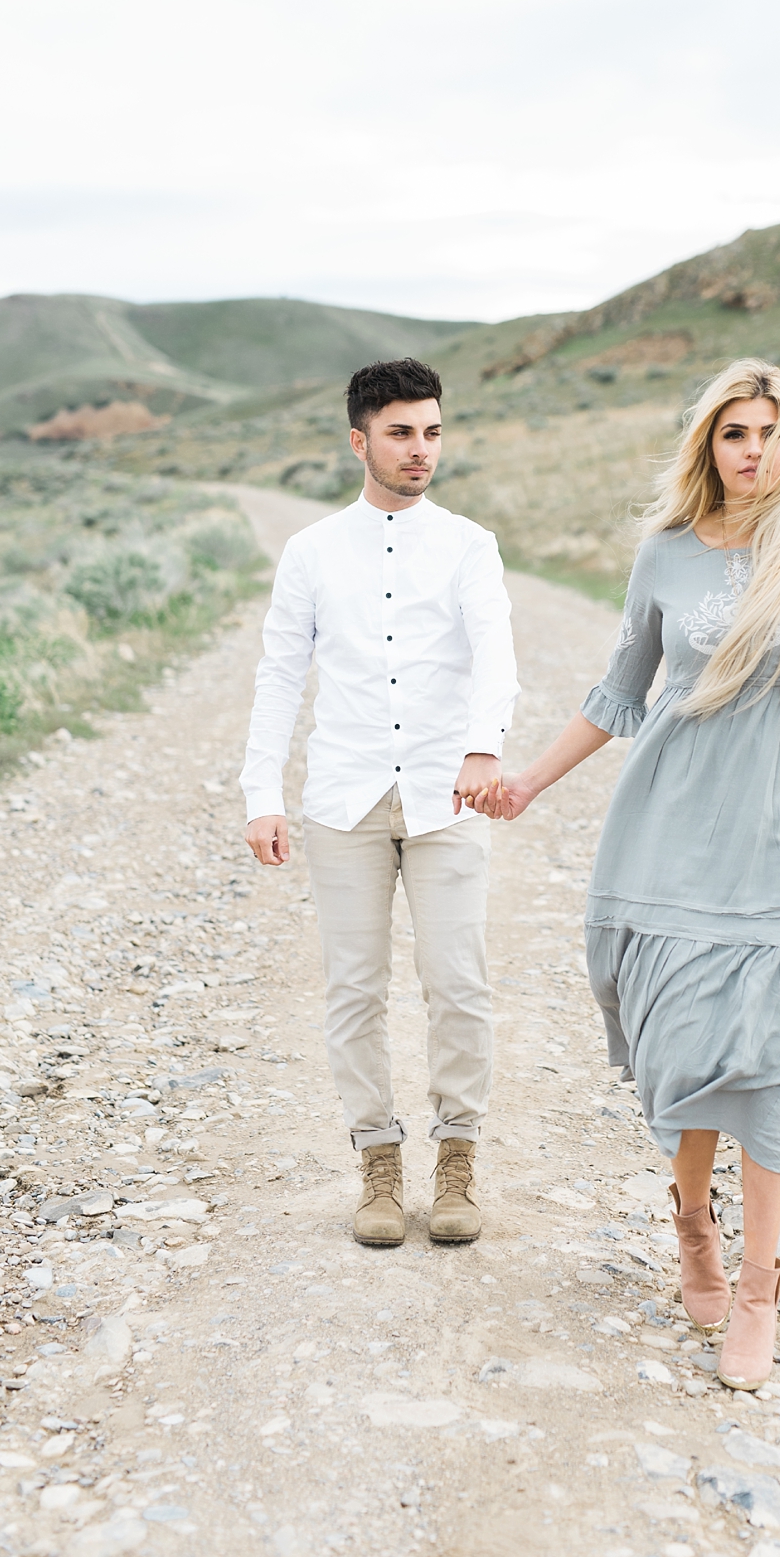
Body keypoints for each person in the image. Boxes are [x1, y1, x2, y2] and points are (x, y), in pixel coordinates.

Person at [476, 358, 780, 1391]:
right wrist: (525, 779)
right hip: (667, 831)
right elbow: (618, 692)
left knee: (769, 1057)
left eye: (773, 431)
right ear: (708, 445)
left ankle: (757, 1284)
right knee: (681, 1045)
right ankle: (692, 1219)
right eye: (735, 433)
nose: (755, 451)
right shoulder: (663, 555)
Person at [241, 358, 517, 1248]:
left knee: (459, 982)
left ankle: (458, 1160)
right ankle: (378, 1165)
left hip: (447, 795)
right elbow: (280, 672)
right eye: (401, 432)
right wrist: (262, 793)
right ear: (359, 439)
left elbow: (496, 650)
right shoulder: (313, 550)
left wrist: (485, 746)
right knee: (355, 989)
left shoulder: (469, 543)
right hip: (345, 799)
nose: (420, 449)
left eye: (432, 431)